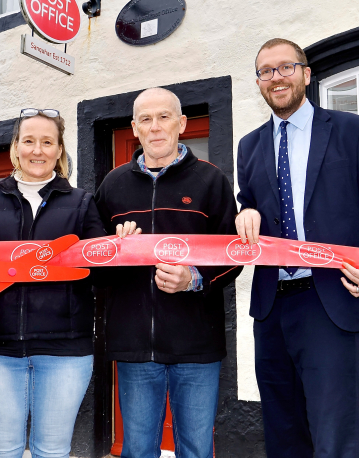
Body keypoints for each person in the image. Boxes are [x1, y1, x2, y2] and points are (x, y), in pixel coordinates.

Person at [235, 38, 359, 458]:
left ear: (306, 74)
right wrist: (246, 213)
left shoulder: (351, 130)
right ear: (259, 82)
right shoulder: (249, 145)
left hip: (328, 300)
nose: (276, 78)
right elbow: (251, 206)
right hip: (271, 307)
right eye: (266, 71)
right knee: (283, 434)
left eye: (286, 67)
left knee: (334, 439)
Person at [0, 108, 116, 458]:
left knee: (52, 451)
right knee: (1, 451)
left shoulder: (81, 203)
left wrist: (116, 248)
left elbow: (102, 274)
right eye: (29, 141)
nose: (37, 150)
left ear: (59, 150)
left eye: (47, 142)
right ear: (16, 147)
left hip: (65, 351)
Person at [93, 88, 241, 458]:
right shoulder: (112, 185)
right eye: (145, 119)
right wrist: (115, 250)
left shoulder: (211, 180)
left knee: (195, 450)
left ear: (182, 124)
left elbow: (233, 254)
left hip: (197, 344)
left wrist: (194, 278)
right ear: (134, 127)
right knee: (139, 450)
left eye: (164, 117)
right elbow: (93, 260)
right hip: (134, 345)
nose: (155, 127)